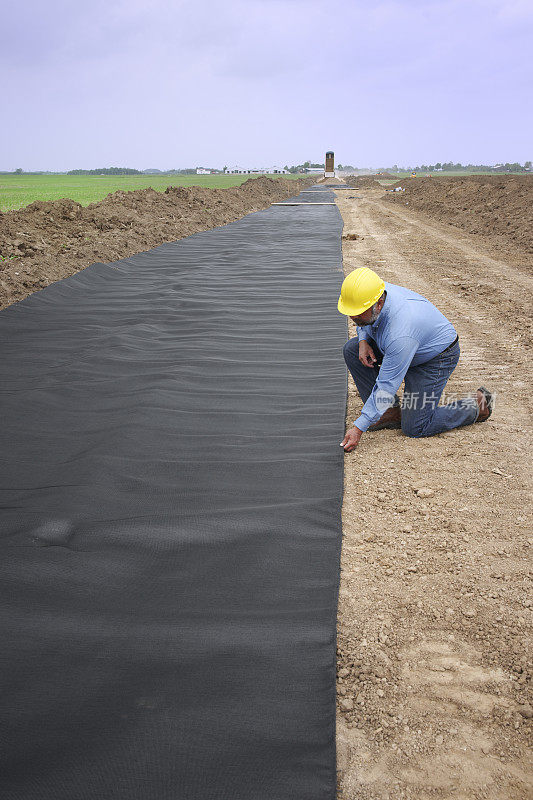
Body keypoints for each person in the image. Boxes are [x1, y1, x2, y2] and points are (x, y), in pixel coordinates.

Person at [338, 267, 493, 453]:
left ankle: (477, 406)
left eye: (359, 313)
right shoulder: (372, 292)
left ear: (379, 304)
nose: (353, 317)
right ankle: (389, 413)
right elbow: (362, 321)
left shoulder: (400, 333)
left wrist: (359, 427)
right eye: (351, 312)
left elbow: (386, 386)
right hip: (405, 345)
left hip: (435, 358)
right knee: (353, 349)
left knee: (416, 427)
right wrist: (363, 341)